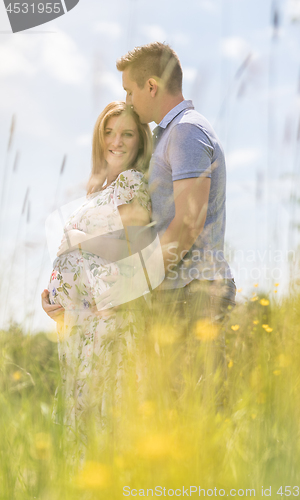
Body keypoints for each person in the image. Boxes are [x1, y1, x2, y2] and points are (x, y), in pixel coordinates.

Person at [116, 42, 236, 405]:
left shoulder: (186, 131)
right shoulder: (167, 136)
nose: (129, 100)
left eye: (130, 91)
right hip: (178, 294)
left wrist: (140, 283)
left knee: (200, 418)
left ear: (151, 86)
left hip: (196, 294)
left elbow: (187, 224)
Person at [41, 101, 153, 451]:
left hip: (109, 329)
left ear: (140, 141)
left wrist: (76, 240)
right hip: (81, 329)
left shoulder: (132, 183)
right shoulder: (98, 193)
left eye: (126, 134)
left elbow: (135, 250)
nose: (115, 141)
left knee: (106, 434)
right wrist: (58, 303)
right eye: (108, 132)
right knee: (83, 433)